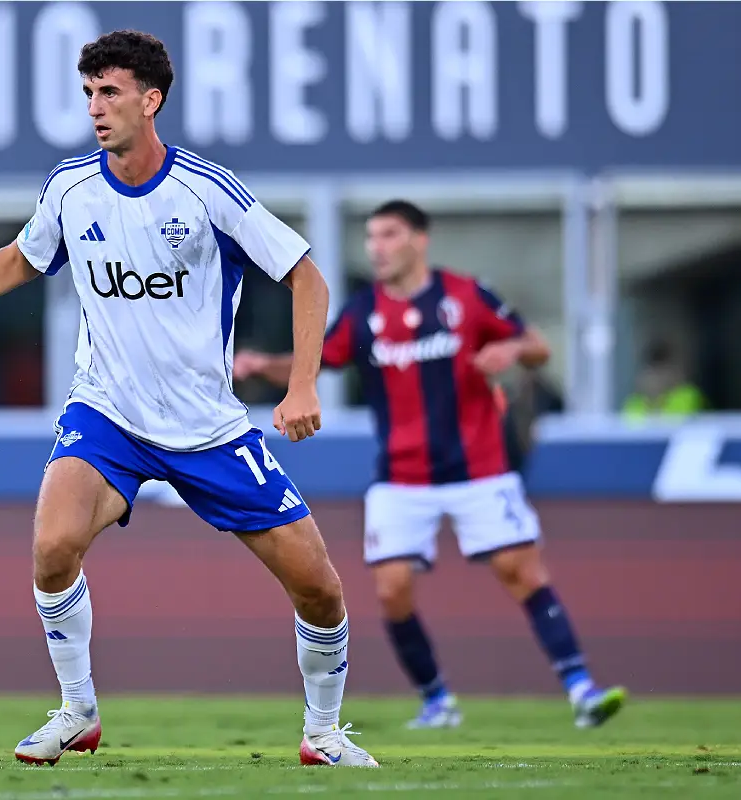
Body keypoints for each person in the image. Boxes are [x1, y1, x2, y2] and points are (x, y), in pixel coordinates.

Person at [0, 30, 378, 769]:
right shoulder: (72, 188)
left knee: (320, 590)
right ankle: (78, 711)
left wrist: (301, 384)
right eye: (88, 94)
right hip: (108, 416)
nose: (96, 109)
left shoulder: (206, 190)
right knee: (51, 548)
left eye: (110, 93)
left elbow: (307, 276)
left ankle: (322, 733)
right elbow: (18, 259)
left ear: (151, 99)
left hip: (209, 429)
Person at [234, 201, 626, 731]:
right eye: (371, 237)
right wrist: (265, 365)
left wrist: (510, 351)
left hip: (481, 468)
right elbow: (321, 360)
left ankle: (581, 689)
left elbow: (538, 346)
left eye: (389, 235)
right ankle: (437, 700)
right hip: (401, 476)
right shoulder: (364, 310)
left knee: (523, 572)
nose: (377, 247)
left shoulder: (467, 295)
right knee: (392, 589)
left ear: (420, 239)